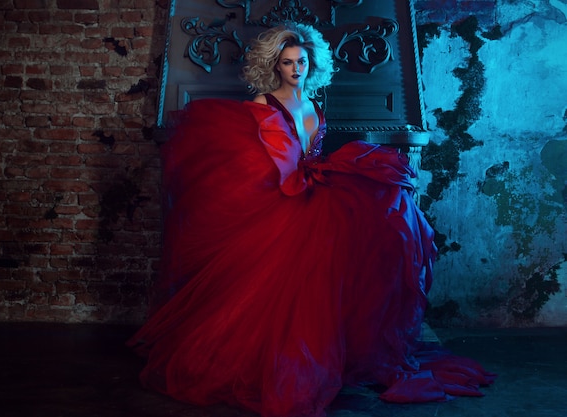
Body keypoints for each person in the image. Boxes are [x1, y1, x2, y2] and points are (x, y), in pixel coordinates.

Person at [127, 23, 495, 417]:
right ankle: (289, 365)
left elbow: (311, 153)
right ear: (274, 67)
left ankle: (333, 355)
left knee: (387, 220)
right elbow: (275, 162)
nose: (295, 69)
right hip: (287, 195)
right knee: (291, 280)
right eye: (287, 63)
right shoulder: (264, 104)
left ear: (311, 63)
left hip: (318, 186)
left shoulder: (315, 104)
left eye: (301, 61)